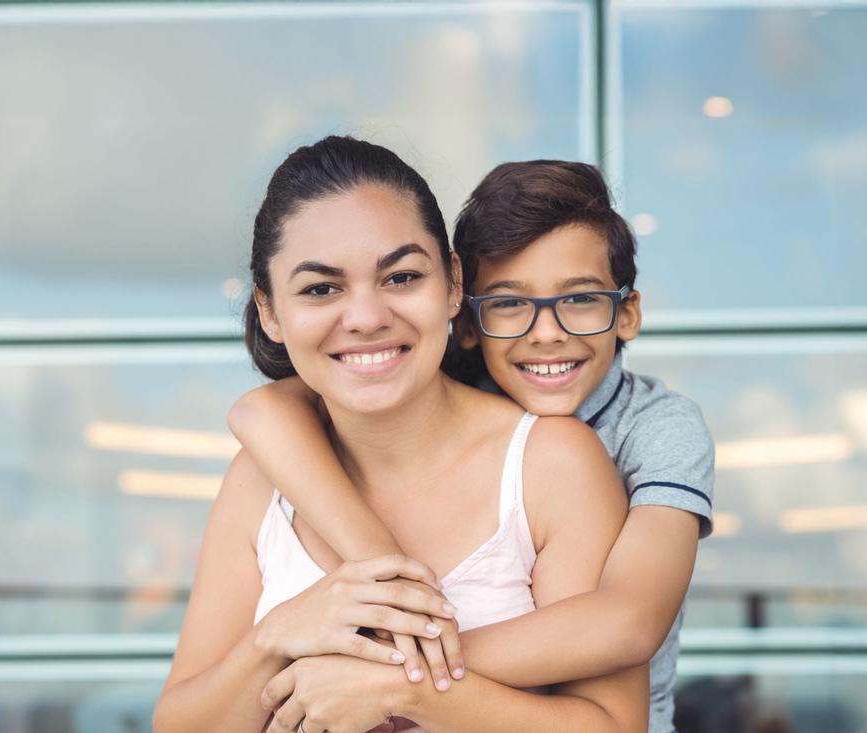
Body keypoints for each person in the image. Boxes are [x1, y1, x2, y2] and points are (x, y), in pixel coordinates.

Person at [152, 136, 648, 733]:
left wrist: (405, 690)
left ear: (454, 284)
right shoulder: (261, 480)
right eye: (320, 289)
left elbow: (614, 726)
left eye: (401, 276)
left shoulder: (549, 464)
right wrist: (276, 639)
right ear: (270, 312)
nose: (365, 318)